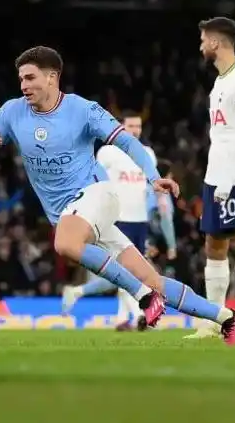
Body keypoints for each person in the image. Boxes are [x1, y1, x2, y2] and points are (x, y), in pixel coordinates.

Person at [0, 46, 235, 345]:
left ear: (52, 77)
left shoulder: (83, 110)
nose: (24, 86)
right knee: (152, 278)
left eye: (30, 78)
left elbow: (128, 143)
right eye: (21, 79)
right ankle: (228, 318)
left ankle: (144, 299)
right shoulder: (13, 111)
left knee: (65, 244)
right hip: (71, 214)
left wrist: (154, 176)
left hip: (97, 194)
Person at [184, 17, 235, 341]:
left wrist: (229, 179)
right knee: (214, 245)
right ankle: (215, 320)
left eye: (204, 39)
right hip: (217, 174)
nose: (202, 45)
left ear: (217, 42)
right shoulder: (220, 82)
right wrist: (216, 179)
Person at [61, 111, 155, 331]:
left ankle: (119, 317)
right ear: (122, 127)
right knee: (127, 271)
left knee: (132, 272)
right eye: (131, 126)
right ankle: (138, 315)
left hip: (140, 220)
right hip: (117, 218)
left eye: (138, 126)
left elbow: (148, 188)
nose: (135, 130)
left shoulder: (147, 153)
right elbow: (95, 180)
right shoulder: (109, 152)